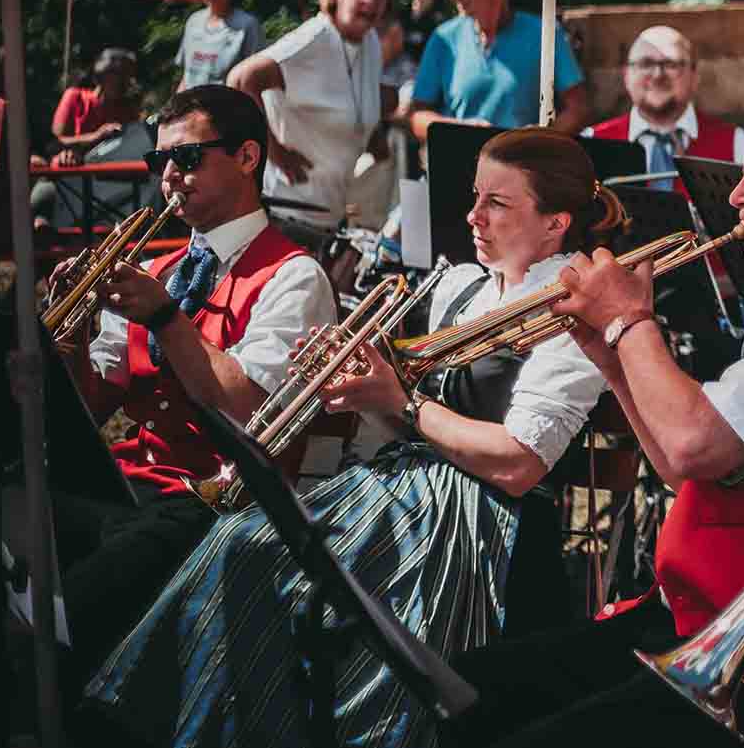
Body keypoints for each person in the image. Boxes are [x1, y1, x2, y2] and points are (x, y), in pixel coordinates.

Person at [440, 88, 744, 748]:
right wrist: (612, 356)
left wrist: (630, 320)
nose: (735, 197)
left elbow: (694, 438)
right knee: (462, 690)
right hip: (705, 623)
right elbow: (681, 468)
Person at [87, 128, 613, 746]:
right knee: (237, 541)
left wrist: (400, 401)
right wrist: (361, 389)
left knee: (258, 555)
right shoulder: (461, 285)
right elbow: (405, 415)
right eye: (474, 197)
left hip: (479, 517)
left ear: (556, 223)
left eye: (497, 204)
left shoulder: (572, 308)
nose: (472, 215)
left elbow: (521, 462)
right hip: (404, 483)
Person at [5, 86, 333, 732]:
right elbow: (96, 401)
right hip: (126, 486)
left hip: (216, 498)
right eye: (161, 161)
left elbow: (243, 402)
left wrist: (163, 314)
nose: (169, 178)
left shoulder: (294, 275)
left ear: (245, 156)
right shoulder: (163, 263)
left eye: (185, 157)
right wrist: (62, 345)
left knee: (70, 610)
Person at [227, 0, 390, 239]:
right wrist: (274, 152)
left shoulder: (370, 42)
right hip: (283, 214)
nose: (371, 2)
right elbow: (241, 79)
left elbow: (352, 98)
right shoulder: (315, 38)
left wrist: (372, 135)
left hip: (329, 217)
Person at [407, 0, 588, 138]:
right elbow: (418, 116)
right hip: (458, 161)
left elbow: (577, 109)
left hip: (521, 163)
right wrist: (459, 129)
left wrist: (537, 139)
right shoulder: (444, 38)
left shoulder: (544, 34)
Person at [583, 24, 744, 192]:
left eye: (671, 64)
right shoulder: (589, 144)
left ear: (694, 76)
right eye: (645, 63)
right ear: (627, 76)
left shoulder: (741, 146)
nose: (658, 75)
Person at [30, 47, 143, 229]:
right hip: (66, 175)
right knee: (43, 201)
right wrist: (96, 136)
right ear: (103, 75)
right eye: (119, 75)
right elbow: (55, 141)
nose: (125, 82)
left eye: (128, 76)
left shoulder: (128, 112)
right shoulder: (75, 98)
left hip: (105, 185)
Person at [175, 0, 264, 90]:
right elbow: (186, 78)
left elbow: (255, 81)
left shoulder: (247, 26)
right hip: (191, 109)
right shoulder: (193, 22)